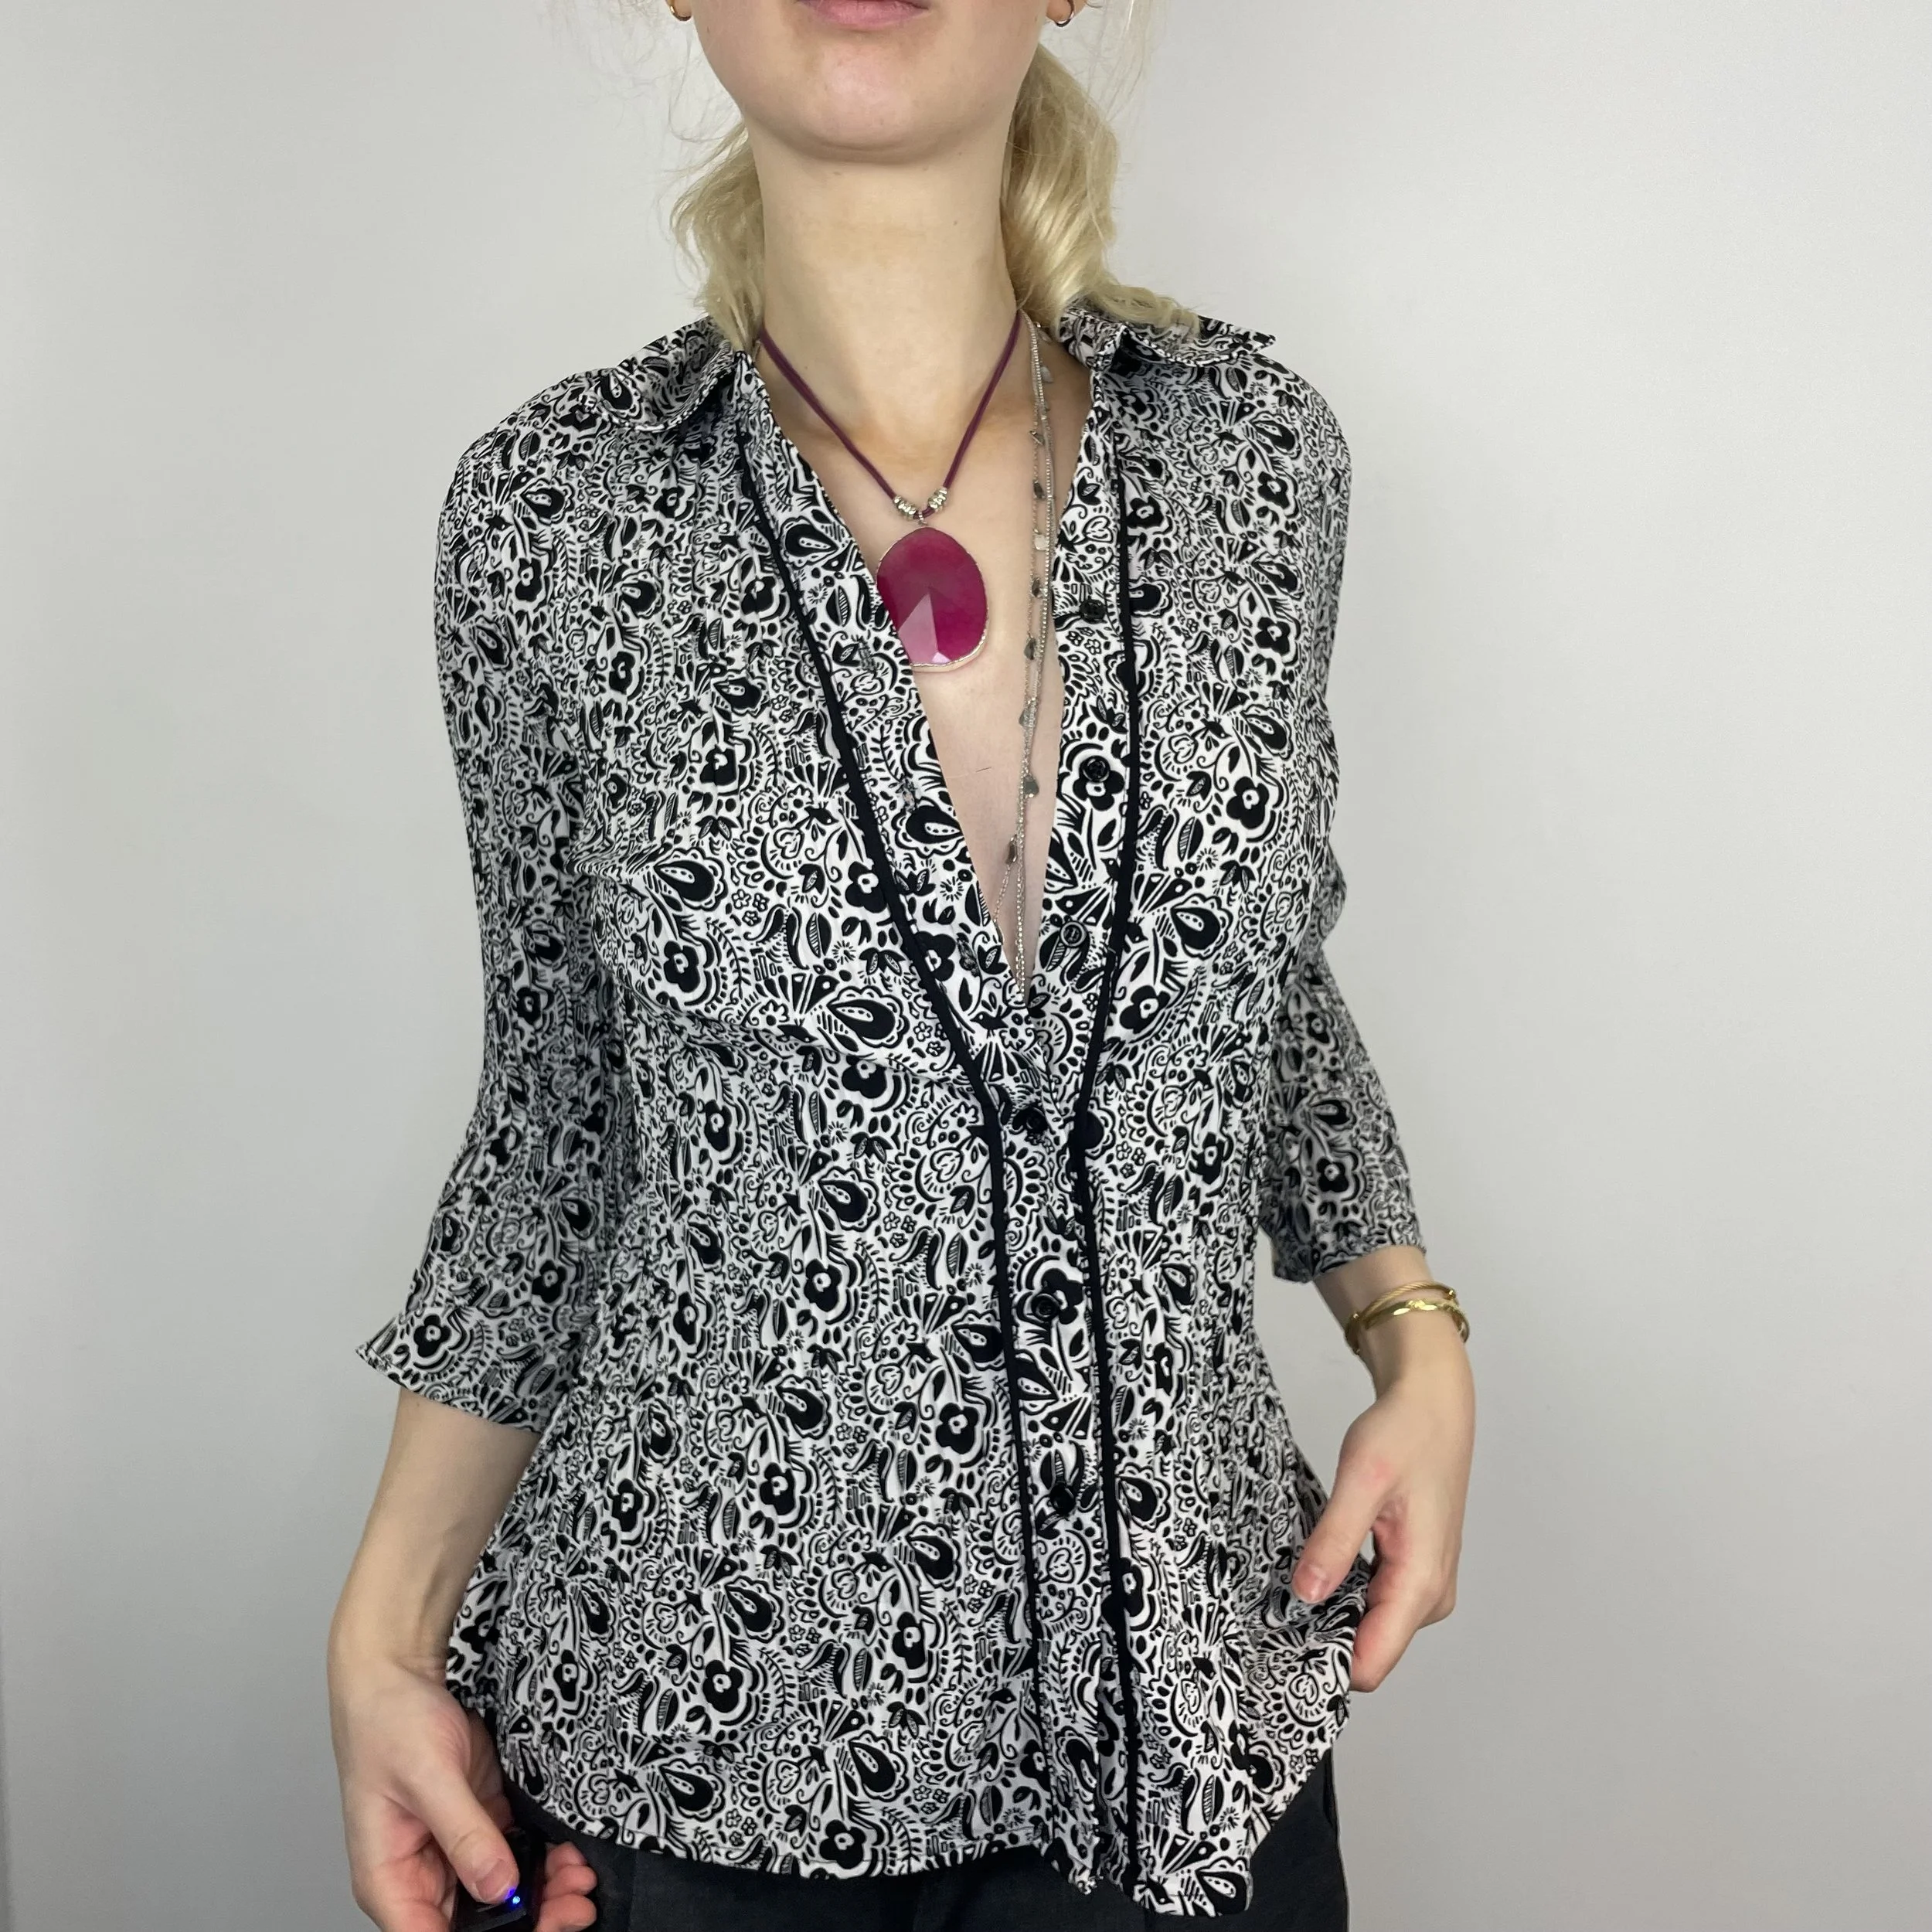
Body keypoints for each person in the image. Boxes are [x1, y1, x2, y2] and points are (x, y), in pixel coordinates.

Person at [327, 2, 1477, 1927]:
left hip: (1187, 1729)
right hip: (693, 1759)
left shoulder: (1255, 463)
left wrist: (1410, 1327)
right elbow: (553, 1122)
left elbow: (1261, 980)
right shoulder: (550, 517)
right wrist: (383, 1633)